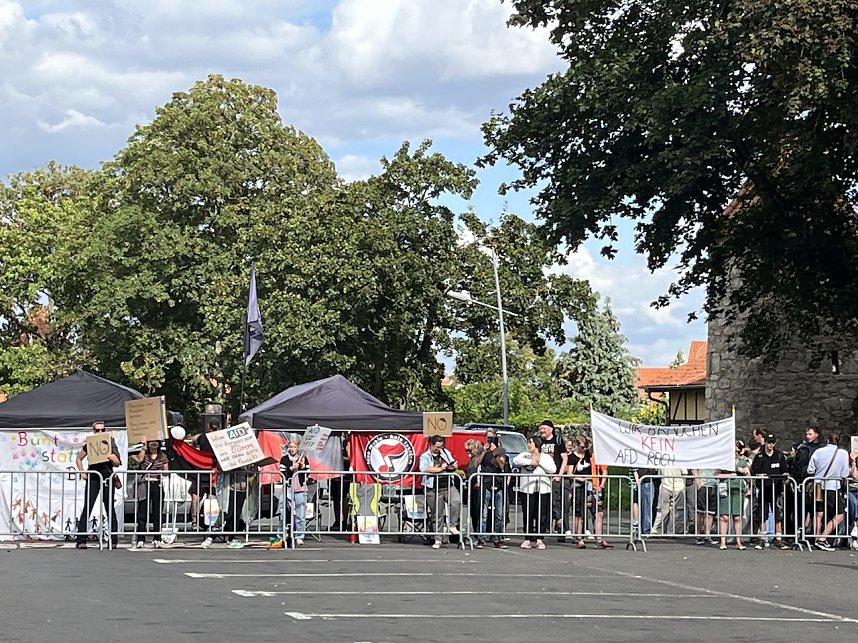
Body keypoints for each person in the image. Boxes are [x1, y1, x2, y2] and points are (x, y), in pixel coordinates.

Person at [75, 421, 122, 549]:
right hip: (94, 476)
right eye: (97, 430)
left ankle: (113, 539)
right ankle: (81, 540)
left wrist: (113, 458)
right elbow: (78, 458)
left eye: (102, 430)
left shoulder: (110, 442)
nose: (100, 432)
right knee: (88, 506)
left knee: (109, 507)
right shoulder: (90, 443)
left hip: (107, 476)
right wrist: (82, 472)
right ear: (94, 431)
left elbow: (118, 462)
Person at [807, 431, 850, 551]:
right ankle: (822, 538)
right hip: (831, 486)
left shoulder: (819, 451)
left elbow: (810, 469)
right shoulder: (842, 453)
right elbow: (844, 473)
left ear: (827, 440)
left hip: (817, 485)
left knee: (818, 513)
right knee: (840, 514)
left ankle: (815, 538)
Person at [419, 435, 462, 549]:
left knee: (456, 501)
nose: (439, 449)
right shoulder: (425, 456)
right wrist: (440, 469)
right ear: (431, 445)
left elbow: (454, 464)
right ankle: (438, 539)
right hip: (433, 488)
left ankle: (452, 526)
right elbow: (424, 468)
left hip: (448, 485)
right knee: (437, 514)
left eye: (441, 446)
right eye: (437, 447)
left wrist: (452, 467)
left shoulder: (445, 452)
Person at [513, 435, 556, 549]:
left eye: (530, 442)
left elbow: (553, 469)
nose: (528, 445)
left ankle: (539, 539)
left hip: (543, 489)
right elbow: (515, 460)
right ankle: (527, 538)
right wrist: (531, 461)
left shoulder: (546, 457)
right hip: (527, 489)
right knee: (528, 513)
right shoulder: (524, 455)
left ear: (536, 444)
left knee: (541, 514)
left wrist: (539, 461)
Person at [750, 433, 790, 549]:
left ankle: (778, 539)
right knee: (762, 514)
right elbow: (755, 471)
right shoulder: (760, 456)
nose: (770, 445)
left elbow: (784, 470)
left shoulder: (779, 456)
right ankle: (762, 538)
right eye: (768, 442)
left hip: (776, 490)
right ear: (765, 442)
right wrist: (759, 475)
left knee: (778, 514)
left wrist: (785, 476)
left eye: (772, 442)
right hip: (764, 488)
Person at [133, 440, 169, 548]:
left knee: (157, 512)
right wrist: (143, 447)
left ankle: (157, 537)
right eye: (151, 441)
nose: (154, 444)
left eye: (156, 442)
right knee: (142, 512)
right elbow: (139, 460)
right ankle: (140, 538)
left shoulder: (163, 456)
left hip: (157, 484)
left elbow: (166, 471)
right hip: (144, 484)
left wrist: (162, 472)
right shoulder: (145, 454)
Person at [717, 440, 750, 550]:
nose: (735, 453)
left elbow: (749, 478)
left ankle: (738, 541)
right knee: (724, 517)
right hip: (725, 489)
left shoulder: (742, 462)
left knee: (737, 517)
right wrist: (728, 475)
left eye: (737, 451)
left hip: (738, 489)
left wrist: (745, 472)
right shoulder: (723, 462)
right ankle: (723, 541)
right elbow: (716, 474)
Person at [479, 429, 508, 549]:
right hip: (486, 483)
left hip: (498, 484)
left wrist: (495, 452)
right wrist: (484, 451)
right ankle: (481, 538)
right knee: (484, 514)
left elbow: (502, 466)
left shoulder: (501, 450)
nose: (489, 440)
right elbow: (476, 463)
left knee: (499, 515)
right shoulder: (482, 449)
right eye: (488, 438)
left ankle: (497, 539)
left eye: (492, 438)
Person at [537, 420, 568, 534]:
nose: (541, 431)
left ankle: (559, 523)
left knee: (555, 501)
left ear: (550, 429)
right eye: (540, 429)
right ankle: (543, 527)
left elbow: (564, 458)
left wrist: (559, 475)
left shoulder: (558, 441)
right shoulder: (539, 441)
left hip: (554, 476)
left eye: (543, 428)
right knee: (543, 501)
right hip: (542, 476)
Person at [282, 436, 309, 546]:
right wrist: (291, 468)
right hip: (288, 489)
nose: (292, 449)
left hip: (300, 489)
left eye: (294, 446)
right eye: (291, 447)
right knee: (284, 513)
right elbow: (282, 473)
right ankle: (284, 534)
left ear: (298, 447)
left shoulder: (303, 458)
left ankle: (299, 535)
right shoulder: (284, 459)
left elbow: (308, 473)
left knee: (300, 514)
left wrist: (302, 467)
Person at [652, 467, 687, 535]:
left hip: (665, 485)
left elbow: (659, 473)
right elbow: (684, 473)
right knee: (675, 510)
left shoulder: (664, 460)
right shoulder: (680, 460)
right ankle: (671, 530)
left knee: (662, 510)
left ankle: (657, 529)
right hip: (678, 486)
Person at [464, 439, 485, 547]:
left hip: (479, 488)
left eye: (470, 450)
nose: (468, 452)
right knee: (473, 513)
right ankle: (476, 534)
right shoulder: (472, 459)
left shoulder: (480, 458)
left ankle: (480, 535)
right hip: (471, 488)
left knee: (479, 512)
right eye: (466, 450)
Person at [692, 467, 719, 545]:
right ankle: (698, 536)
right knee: (700, 512)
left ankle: (707, 535)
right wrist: (697, 481)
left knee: (710, 513)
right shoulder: (702, 456)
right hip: (703, 485)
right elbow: (694, 468)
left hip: (713, 486)